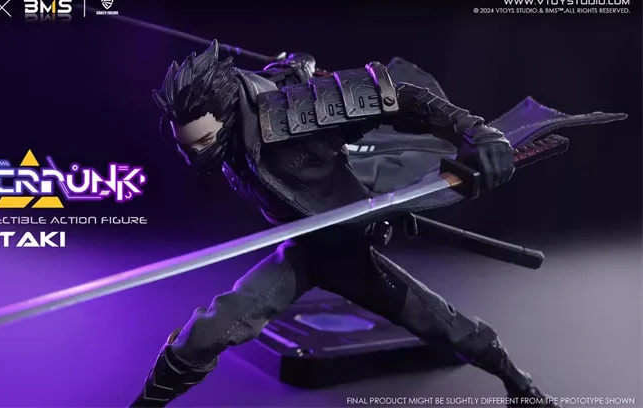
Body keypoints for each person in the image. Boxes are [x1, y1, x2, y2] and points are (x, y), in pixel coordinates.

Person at [134, 40, 556, 408]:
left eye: (204, 142)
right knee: (204, 334)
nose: (196, 155)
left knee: (448, 328)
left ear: (227, 115)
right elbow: (281, 74)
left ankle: (521, 387)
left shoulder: (293, 114)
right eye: (186, 146)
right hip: (302, 253)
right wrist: (293, 66)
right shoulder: (224, 120)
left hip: (349, 251)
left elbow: (400, 98)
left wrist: (478, 133)